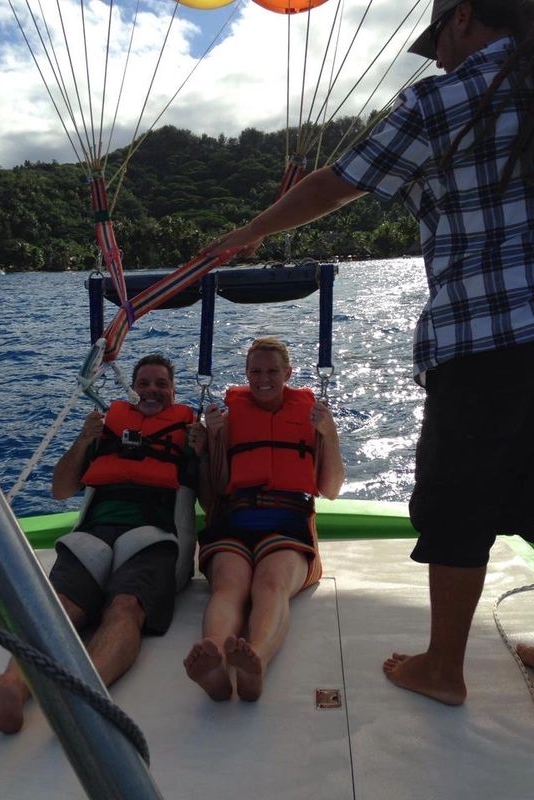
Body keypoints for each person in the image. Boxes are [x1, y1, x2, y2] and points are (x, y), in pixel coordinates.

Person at [197, 0, 534, 706]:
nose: (437, 56)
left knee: (457, 504)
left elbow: (335, 183)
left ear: (464, 17)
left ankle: (443, 668)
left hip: (486, 338)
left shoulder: (446, 97)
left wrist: (246, 236)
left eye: (437, 38)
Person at [0, 353, 208, 732]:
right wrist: (83, 440)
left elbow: (210, 497)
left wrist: (205, 449)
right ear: (133, 388)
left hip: (155, 538)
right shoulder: (105, 432)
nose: (152, 390)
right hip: (93, 536)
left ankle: (86, 698)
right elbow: (61, 489)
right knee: (59, 607)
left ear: (173, 392)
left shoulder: (188, 434)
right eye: (144, 382)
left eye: (161, 384)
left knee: (125, 607)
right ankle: (11, 691)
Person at [184, 337, 344, 701]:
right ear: (245, 374)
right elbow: (214, 494)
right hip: (235, 519)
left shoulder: (311, 414)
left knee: (271, 584)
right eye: (255, 372)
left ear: (288, 373)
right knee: (230, 585)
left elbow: (330, 489)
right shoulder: (227, 417)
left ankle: (255, 659)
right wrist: (210, 442)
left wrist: (328, 433)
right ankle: (214, 661)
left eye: (273, 372)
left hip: (287, 520)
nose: (263, 379)